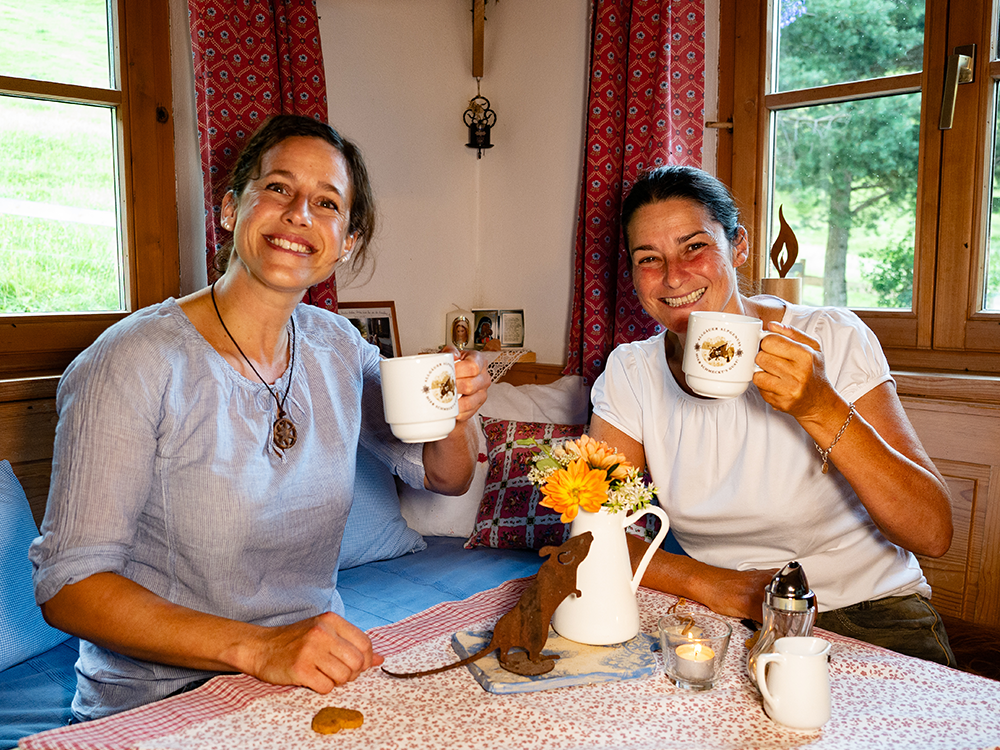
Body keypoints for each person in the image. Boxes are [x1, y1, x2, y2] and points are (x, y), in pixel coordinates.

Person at [28, 115, 491, 721]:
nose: (300, 212)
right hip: (157, 705)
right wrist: (259, 647)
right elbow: (69, 587)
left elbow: (446, 477)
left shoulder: (340, 348)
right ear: (229, 209)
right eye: (278, 188)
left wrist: (452, 416)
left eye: (327, 203)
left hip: (305, 683)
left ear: (345, 242)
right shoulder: (131, 361)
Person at [589, 165, 956, 664]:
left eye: (694, 247)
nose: (673, 277)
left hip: (867, 612)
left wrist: (819, 407)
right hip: (718, 613)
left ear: (738, 246)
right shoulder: (630, 372)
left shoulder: (833, 337)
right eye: (649, 258)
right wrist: (710, 582)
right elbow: (598, 531)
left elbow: (931, 532)